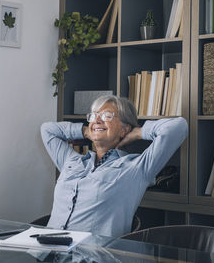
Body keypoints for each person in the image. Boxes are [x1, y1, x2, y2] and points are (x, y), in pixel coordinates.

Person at [41, 95, 188, 237]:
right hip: (46, 251)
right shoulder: (71, 161)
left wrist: (137, 133)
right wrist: (86, 131)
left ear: (124, 129)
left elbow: (178, 127)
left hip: (90, 255)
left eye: (106, 116)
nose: (97, 120)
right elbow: (47, 130)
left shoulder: (136, 168)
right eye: (93, 116)